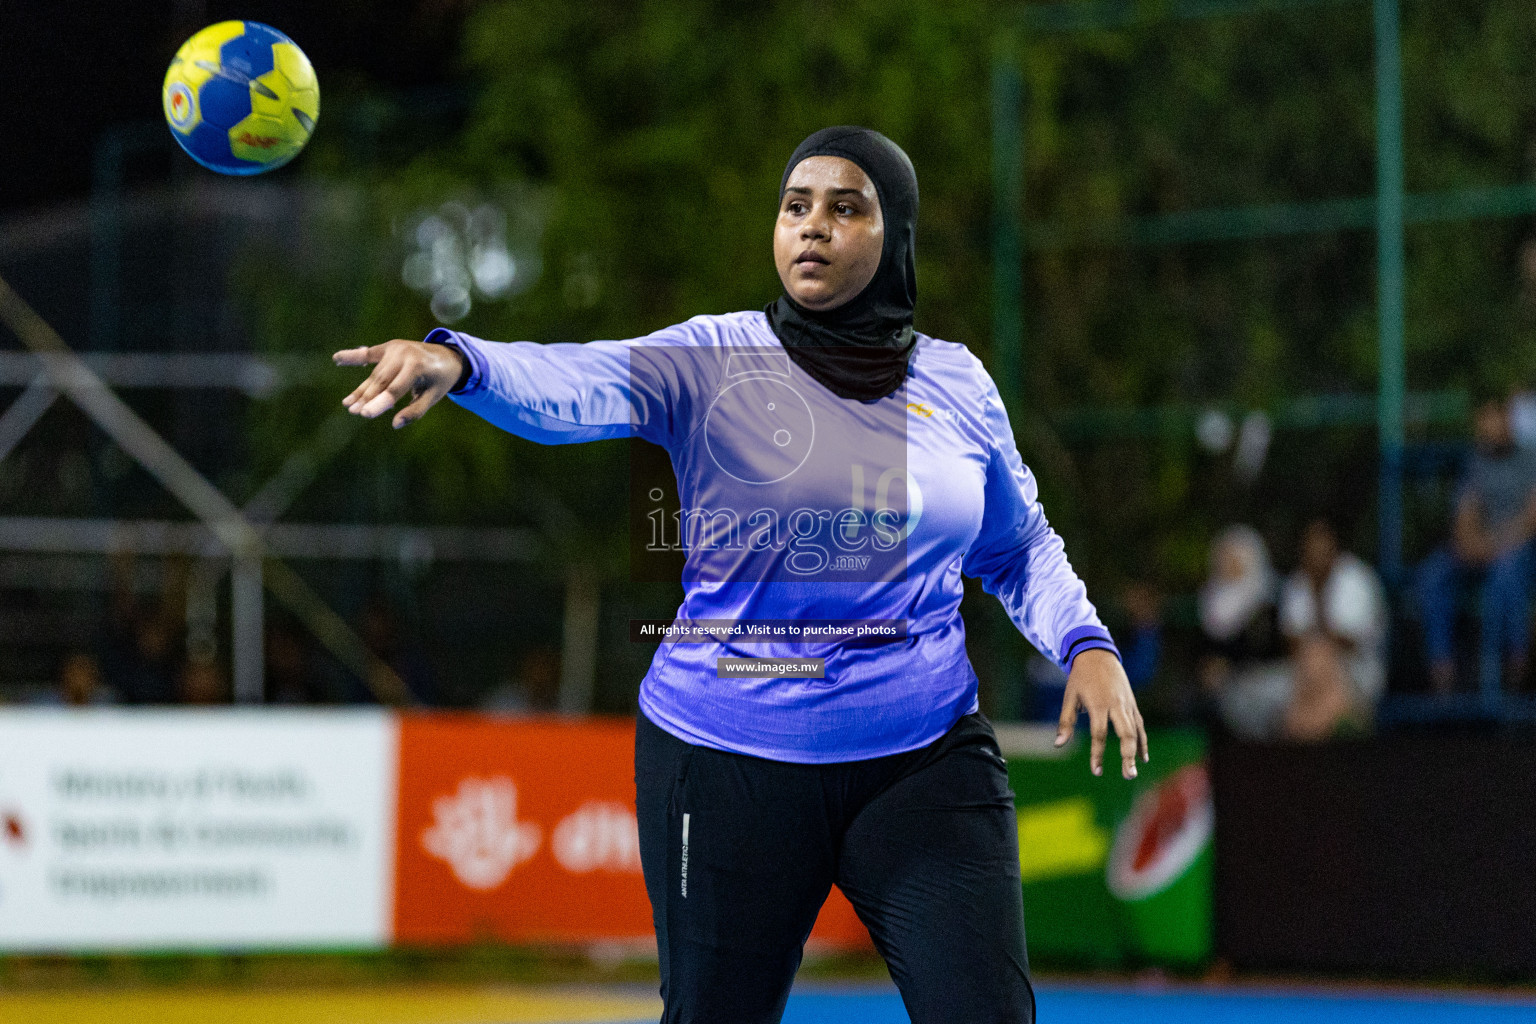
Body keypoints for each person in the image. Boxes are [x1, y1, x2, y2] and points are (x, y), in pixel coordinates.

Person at [335, 126, 1146, 1024]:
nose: (814, 228)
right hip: (726, 766)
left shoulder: (956, 383)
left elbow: (1016, 543)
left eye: (847, 208)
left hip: (922, 764)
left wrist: (1085, 642)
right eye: (796, 207)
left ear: (896, 236)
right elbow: (576, 383)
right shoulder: (715, 359)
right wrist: (463, 360)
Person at [1417, 396, 1536, 693]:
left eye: (1492, 418)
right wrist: (1475, 545)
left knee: (1506, 574)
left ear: (1507, 418)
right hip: (1481, 551)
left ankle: (1514, 666)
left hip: (1520, 552)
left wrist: (1494, 546)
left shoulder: (1530, 459)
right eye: (1481, 420)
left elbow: (1530, 521)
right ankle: (1441, 669)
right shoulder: (1476, 461)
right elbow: (1464, 518)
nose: (1486, 427)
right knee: (1433, 574)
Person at [1277, 519, 1387, 740]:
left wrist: (1319, 598)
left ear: (1334, 548)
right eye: (1311, 550)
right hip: (1307, 674)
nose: (1316, 556)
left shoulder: (1357, 578)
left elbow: (1350, 643)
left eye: (1322, 549)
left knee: (1320, 664)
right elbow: (1291, 644)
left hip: (1356, 669)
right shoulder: (1297, 582)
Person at [1198, 525, 1289, 739]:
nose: (1226, 564)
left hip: (1263, 679)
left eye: (1233, 558)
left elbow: (1268, 649)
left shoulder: (1268, 601)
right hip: (1223, 687)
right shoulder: (1210, 602)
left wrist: (1230, 666)